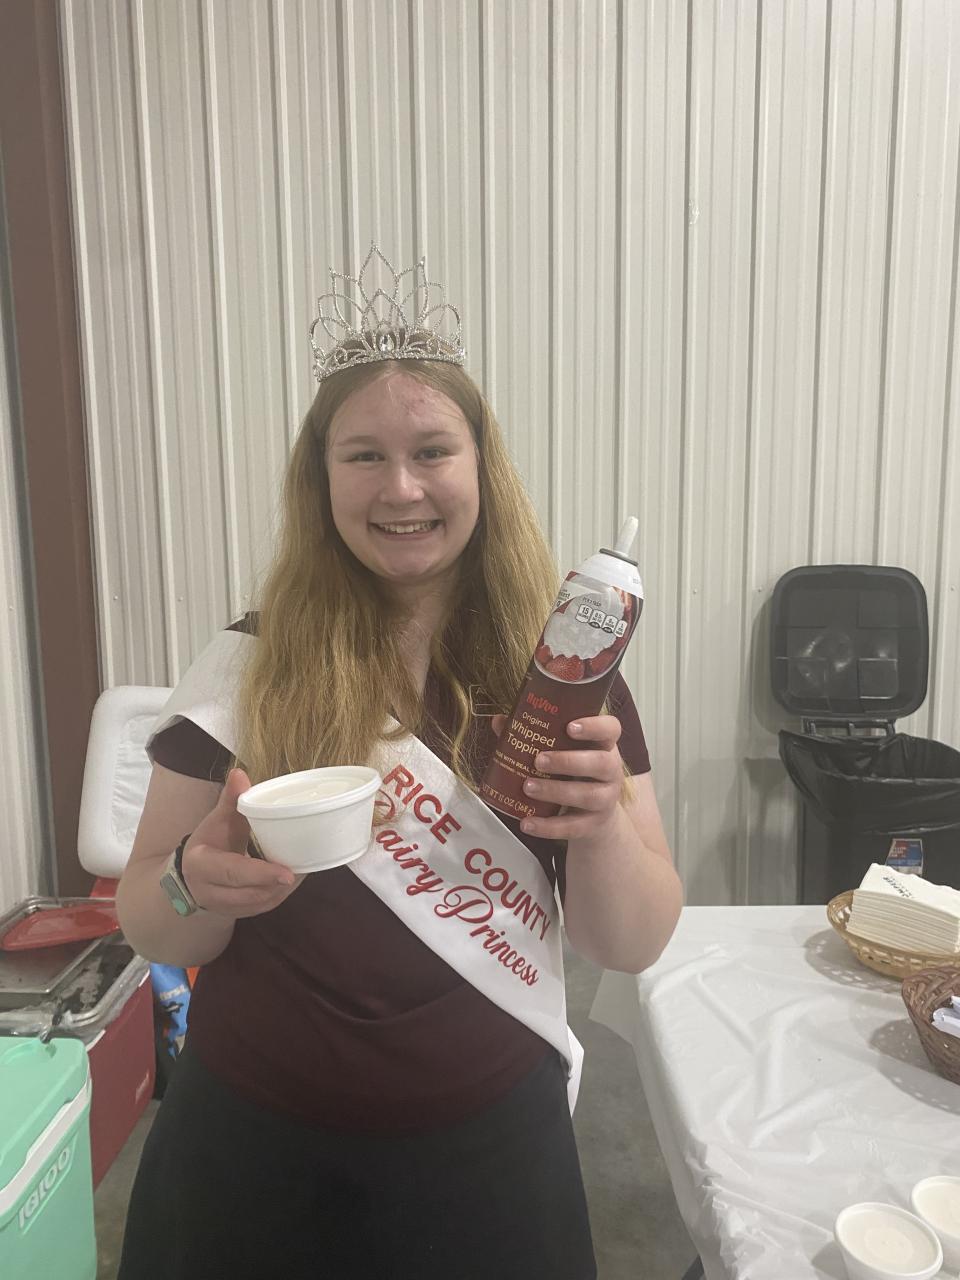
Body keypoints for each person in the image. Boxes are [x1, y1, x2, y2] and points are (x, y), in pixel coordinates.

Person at [115, 246, 682, 1280]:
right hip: (248, 1154)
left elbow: (631, 939)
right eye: (364, 455)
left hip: (491, 1157)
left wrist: (601, 826)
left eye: (432, 450)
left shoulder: (562, 674)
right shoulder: (245, 667)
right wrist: (192, 880)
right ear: (321, 477)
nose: (403, 486)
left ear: (482, 467)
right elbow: (149, 919)